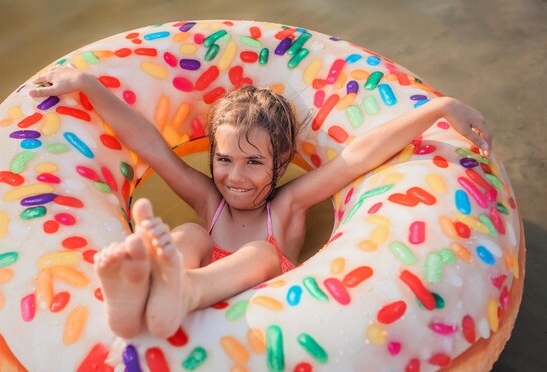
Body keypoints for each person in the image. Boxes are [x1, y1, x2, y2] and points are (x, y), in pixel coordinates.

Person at [30, 65, 491, 339]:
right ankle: (143, 292)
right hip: (179, 290)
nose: (234, 177)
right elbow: (149, 145)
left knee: (260, 254)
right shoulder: (207, 199)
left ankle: (178, 288)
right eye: (224, 159)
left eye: (254, 162)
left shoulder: (287, 207)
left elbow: (355, 158)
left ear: (282, 161)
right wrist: (87, 84)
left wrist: (438, 108)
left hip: (264, 311)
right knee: (190, 234)